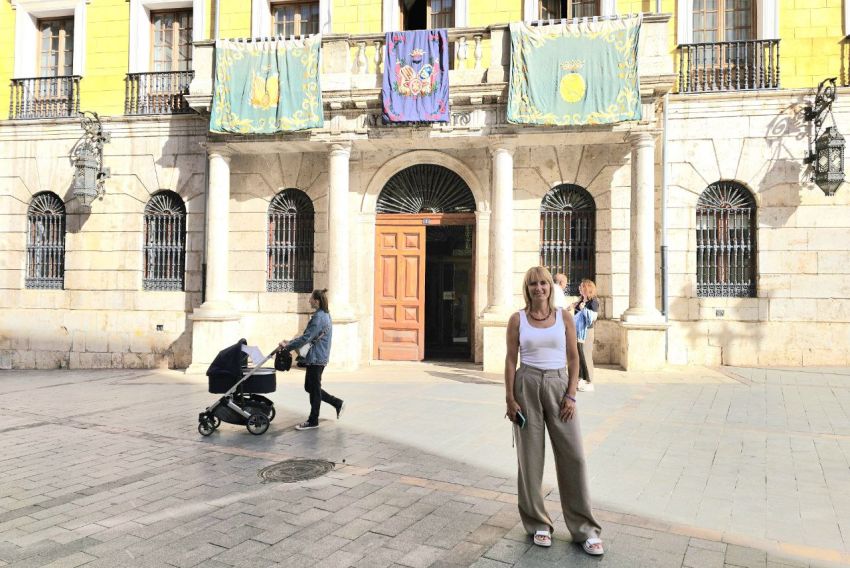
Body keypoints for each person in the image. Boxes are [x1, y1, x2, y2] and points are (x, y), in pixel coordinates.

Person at [504, 266, 604, 556]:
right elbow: (511, 361)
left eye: (544, 283)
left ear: (551, 287)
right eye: (533, 284)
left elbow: (574, 358)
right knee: (530, 459)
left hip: (560, 385)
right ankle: (538, 524)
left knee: (573, 457)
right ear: (527, 288)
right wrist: (510, 399)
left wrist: (571, 395)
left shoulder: (565, 317)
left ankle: (585, 529)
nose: (539, 288)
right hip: (528, 384)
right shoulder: (517, 319)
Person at [278, 289, 345, 431]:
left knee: (313, 388)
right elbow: (310, 336)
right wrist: (290, 342)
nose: (309, 301)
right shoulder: (325, 314)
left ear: (317, 301)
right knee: (310, 387)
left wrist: (288, 346)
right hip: (318, 356)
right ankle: (337, 403)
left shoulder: (319, 317)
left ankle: (313, 420)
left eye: (311, 299)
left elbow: (306, 337)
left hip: (316, 358)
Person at [570, 279, 599, 392]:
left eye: (582, 287)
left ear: (587, 289)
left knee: (586, 356)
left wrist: (583, 309)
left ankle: (590, 382)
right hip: (578, 332)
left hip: (587, 332)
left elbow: (593, 318)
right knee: (579, 357)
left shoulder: (593, 302)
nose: (579, 288)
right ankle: (581, 379)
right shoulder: (581, 301)